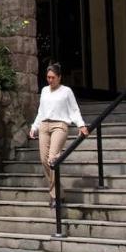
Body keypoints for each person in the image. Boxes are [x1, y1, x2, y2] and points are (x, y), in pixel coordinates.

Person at [27, 62, 88, 207]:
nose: (50, 80)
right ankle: (59, 192)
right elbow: (41, 111)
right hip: (44, 126)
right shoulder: (44, 91)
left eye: (53, 77)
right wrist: (34, 127)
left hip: (59, 126)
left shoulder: (66, 91)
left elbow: (74, 110)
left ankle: (55, 196)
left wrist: (81, 125)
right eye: (48, 77)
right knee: (43, 160)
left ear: (59, 77)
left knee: (52, 159)